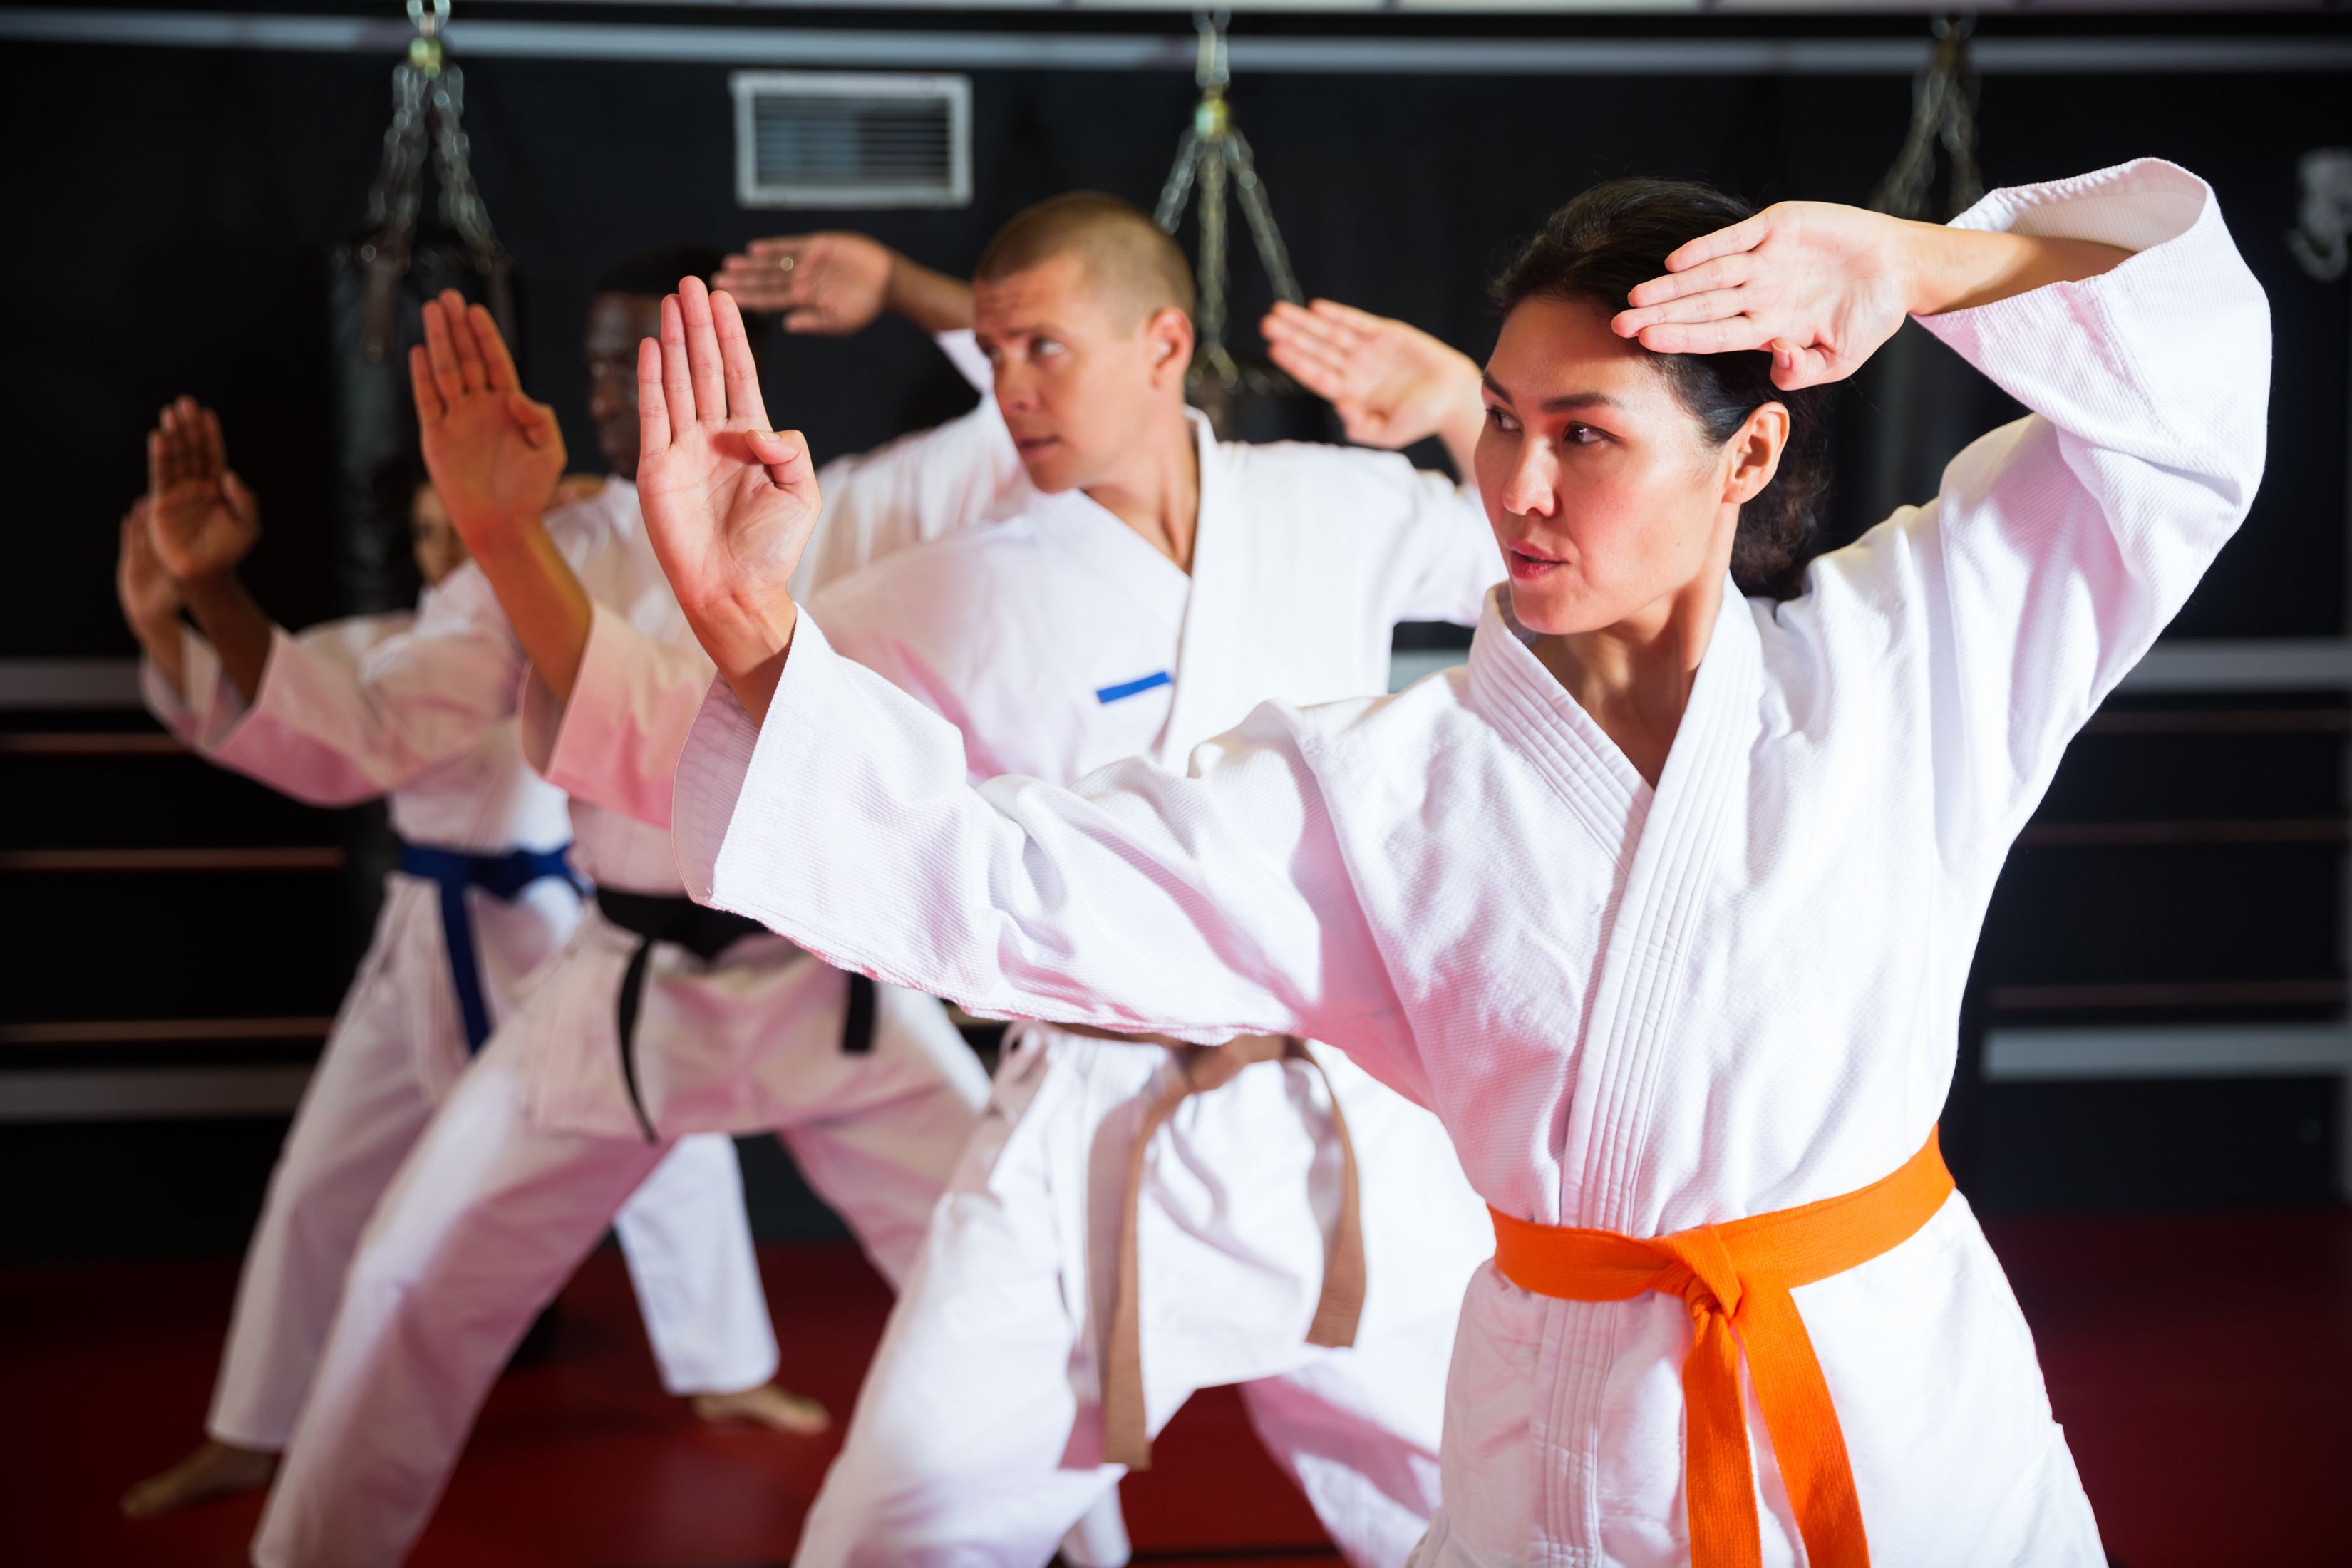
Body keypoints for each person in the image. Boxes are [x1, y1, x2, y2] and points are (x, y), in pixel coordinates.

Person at [645, 158, 2268, 1567]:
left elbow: (2182, 410)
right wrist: (751, 637)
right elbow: (1004, 883)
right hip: (1565, 1442)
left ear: (1751, 456)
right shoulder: (1380, 790)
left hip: (1895, 1416)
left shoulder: (1915, 654)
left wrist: (1923, 262)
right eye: (1498, 420)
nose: (1519, 486)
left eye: (1586, 432)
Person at [703, 194, 1498, 1568]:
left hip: (1342, 1116)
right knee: (893, 1527)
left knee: (1493, 1508)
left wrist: (1459, 399)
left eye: (1040, 350)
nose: (1006, 389)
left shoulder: (1334, 504)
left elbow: (1553, 561)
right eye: (991, 352)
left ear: (1163, 344)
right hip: (1090, 1119)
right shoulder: (947, 587)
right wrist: (730, 610)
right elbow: (758, 721)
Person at [227, 241, 1020, 1568]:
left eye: (641, 356)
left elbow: (1025, 412)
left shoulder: (861, 503)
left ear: (728, 360)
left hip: (832, 980)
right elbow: (373, 725)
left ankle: (1079, 1544)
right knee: (404, 1287)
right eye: (597, 361)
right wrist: (211, 597)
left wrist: (901, 289)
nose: (613, 388)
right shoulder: (551, 550)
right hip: (624, 995)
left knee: (1012, 1266)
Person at [116, 444, 810, 1525]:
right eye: (433, 539)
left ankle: (729, 1368)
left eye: (467, 531)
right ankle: (248, 1431)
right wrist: (177, 613)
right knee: (316, 1184)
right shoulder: (387, 650)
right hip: (419, 950)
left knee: (675, 1152)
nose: (451, 556)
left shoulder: (567, 628)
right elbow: (267, 707)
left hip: (551, 933)